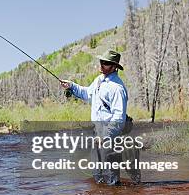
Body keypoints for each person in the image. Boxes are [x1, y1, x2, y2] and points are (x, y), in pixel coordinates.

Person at [60, 49, 140, 185]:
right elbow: (86, 93)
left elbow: (119, 118)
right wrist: (71, 86)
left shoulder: (117, 88)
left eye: (106, 63)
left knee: (111, 178)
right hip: (97, 132)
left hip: (110, 135)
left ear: (114, 67)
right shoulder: (99, 80)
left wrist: (105, 136)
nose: (102, 65)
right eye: (101, 62)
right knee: (98, 175)